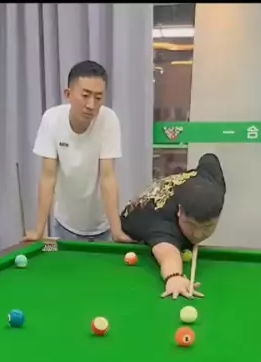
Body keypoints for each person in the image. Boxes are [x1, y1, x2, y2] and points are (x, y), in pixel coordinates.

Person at [25, 60, 132, 244]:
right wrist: (39, 231)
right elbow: (48, 177)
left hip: (103, 228)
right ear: (68, 94)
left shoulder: (109, 120)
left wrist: (117, 231)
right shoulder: (51, 119)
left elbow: (107, 177)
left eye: (98, 98)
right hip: (64, 226)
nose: (91, 105)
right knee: (55, 257)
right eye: (85, 95)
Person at [120, 154, 226, 299]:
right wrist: (174, 277)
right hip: (132, 229)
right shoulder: (162, 223)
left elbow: (209, 158)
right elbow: (167, 254)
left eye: (207, 226)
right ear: (179, 211)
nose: (197, 234)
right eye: (191, 225)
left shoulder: (212, 179)